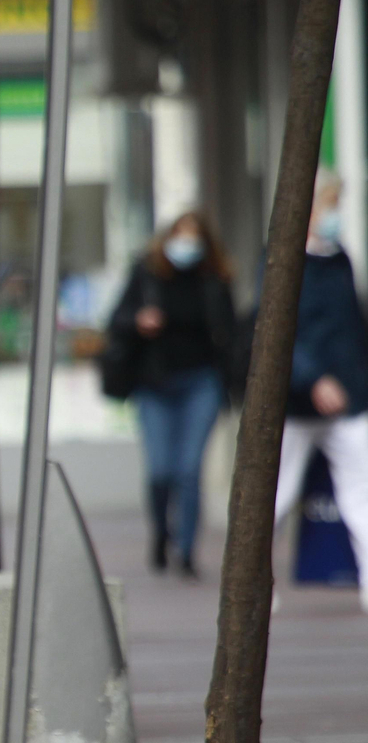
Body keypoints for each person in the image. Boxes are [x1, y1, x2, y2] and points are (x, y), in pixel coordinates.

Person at [106, 211, 237, 577]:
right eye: (181, 236)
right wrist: (138, 321)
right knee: (161, 469)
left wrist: (234, 381)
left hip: (202, 383)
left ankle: (186, 550)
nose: (187, 245)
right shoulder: (146, 274)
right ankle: (161, 533)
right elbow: (116, 319)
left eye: (194, 238)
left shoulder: (215, 280)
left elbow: (230, 336)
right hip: (155, 386)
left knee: (189, 469)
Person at [272, 171, 368, 614]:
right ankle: (256, 586)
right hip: (295, 403)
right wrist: (313, 379)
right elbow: (278, 331)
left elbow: (352, 329)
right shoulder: (280, 260)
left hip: (349, 400)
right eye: (326, 203)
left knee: (361, 493)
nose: (332, 213)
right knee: (275, 496)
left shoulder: (341, 258)